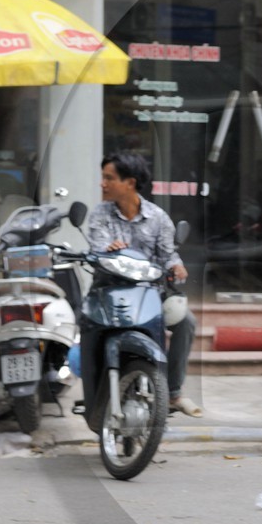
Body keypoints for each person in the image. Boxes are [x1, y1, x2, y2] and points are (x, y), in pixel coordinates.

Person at [84, 152, 203, 417]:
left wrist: (176, 265)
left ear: (130, 182)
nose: (102, 184)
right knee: (87, 326)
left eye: (109, 178)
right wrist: (107, 249)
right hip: (107, 293)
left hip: (149, 294)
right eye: (103, 177)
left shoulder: (158, 217)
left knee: (186, 321)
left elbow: (168, 254)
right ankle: (92, 392)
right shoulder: (99, 215)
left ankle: (172, 393)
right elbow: (96, 249)